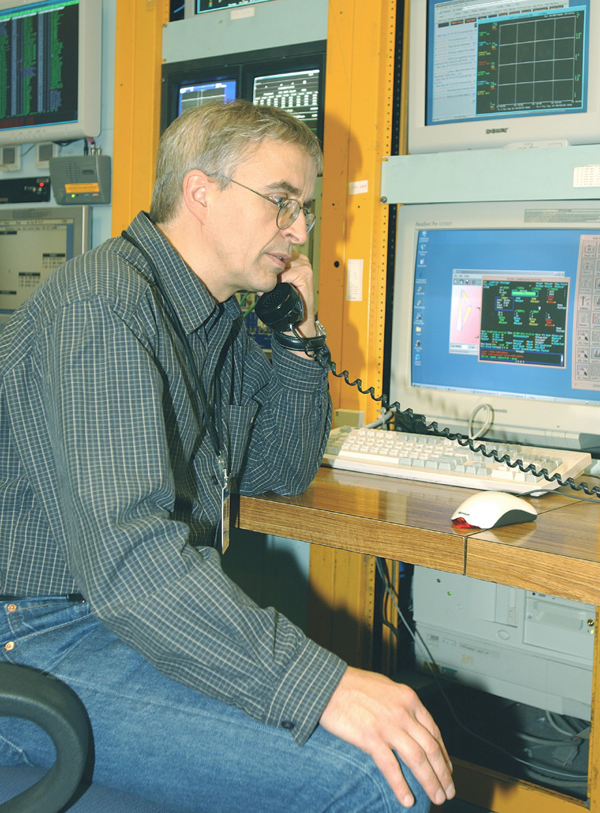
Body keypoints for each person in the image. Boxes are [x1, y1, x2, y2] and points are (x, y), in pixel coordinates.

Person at [0, 101, 455, 812]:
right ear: (200, 193)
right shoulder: (105, 311)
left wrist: (299, 336)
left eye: (303, 208)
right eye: (281, 202)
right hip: (36, 634)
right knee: (374, 773)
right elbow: (132, 564)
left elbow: (279, 467)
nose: (300, 230)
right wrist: (321, 683)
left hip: (101, 614)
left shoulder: (213, 320)